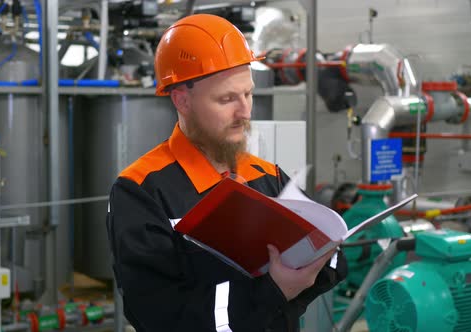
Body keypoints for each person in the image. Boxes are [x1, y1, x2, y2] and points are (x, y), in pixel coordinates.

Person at [106, 13, 347, 332]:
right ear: (182, 100)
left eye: (248, 94)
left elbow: (334, 262)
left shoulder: (267, 175)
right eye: (226, 99)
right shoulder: (141, 190)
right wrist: (274, 293)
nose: (244, 111)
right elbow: (158, 315)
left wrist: (285, 290)